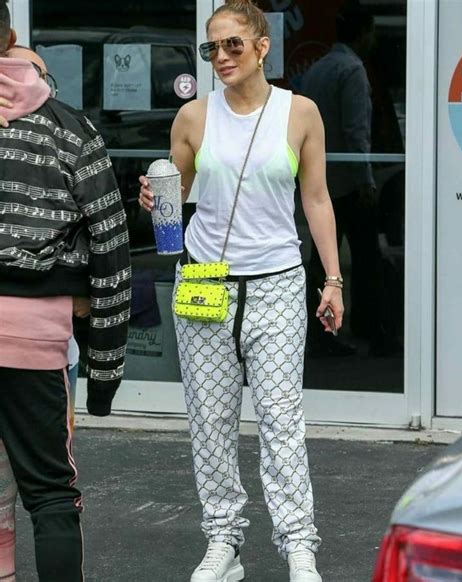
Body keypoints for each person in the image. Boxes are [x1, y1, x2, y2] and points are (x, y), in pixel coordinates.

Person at [139, 1, 343, 580]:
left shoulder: (299, 113)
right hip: (205, 280)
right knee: (210, 421)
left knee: (282, 421)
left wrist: (332, 279)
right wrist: (153, 200)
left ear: (261, 47)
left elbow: (317, 199)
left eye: (232, 45)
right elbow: (171, 194)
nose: (221, 57)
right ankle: (223, 543)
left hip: (277, 282)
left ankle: (299, 545)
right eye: (211, 48)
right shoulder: (193, 118)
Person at [0, 1, 131, 579]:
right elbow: (113, 248)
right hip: (33, 332)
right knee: (51, 494)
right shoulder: (69, 128)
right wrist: (103, 373)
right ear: (9, 36)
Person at [302, 7, 383, 351]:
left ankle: (316, 334)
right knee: (366, 260)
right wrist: (366, 180)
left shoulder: (317, 68)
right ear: (363, 33)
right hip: (347, 184)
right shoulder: (351, 69)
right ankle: (368, 329)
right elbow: (356, 132)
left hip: (320, 179)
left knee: (320, 261)